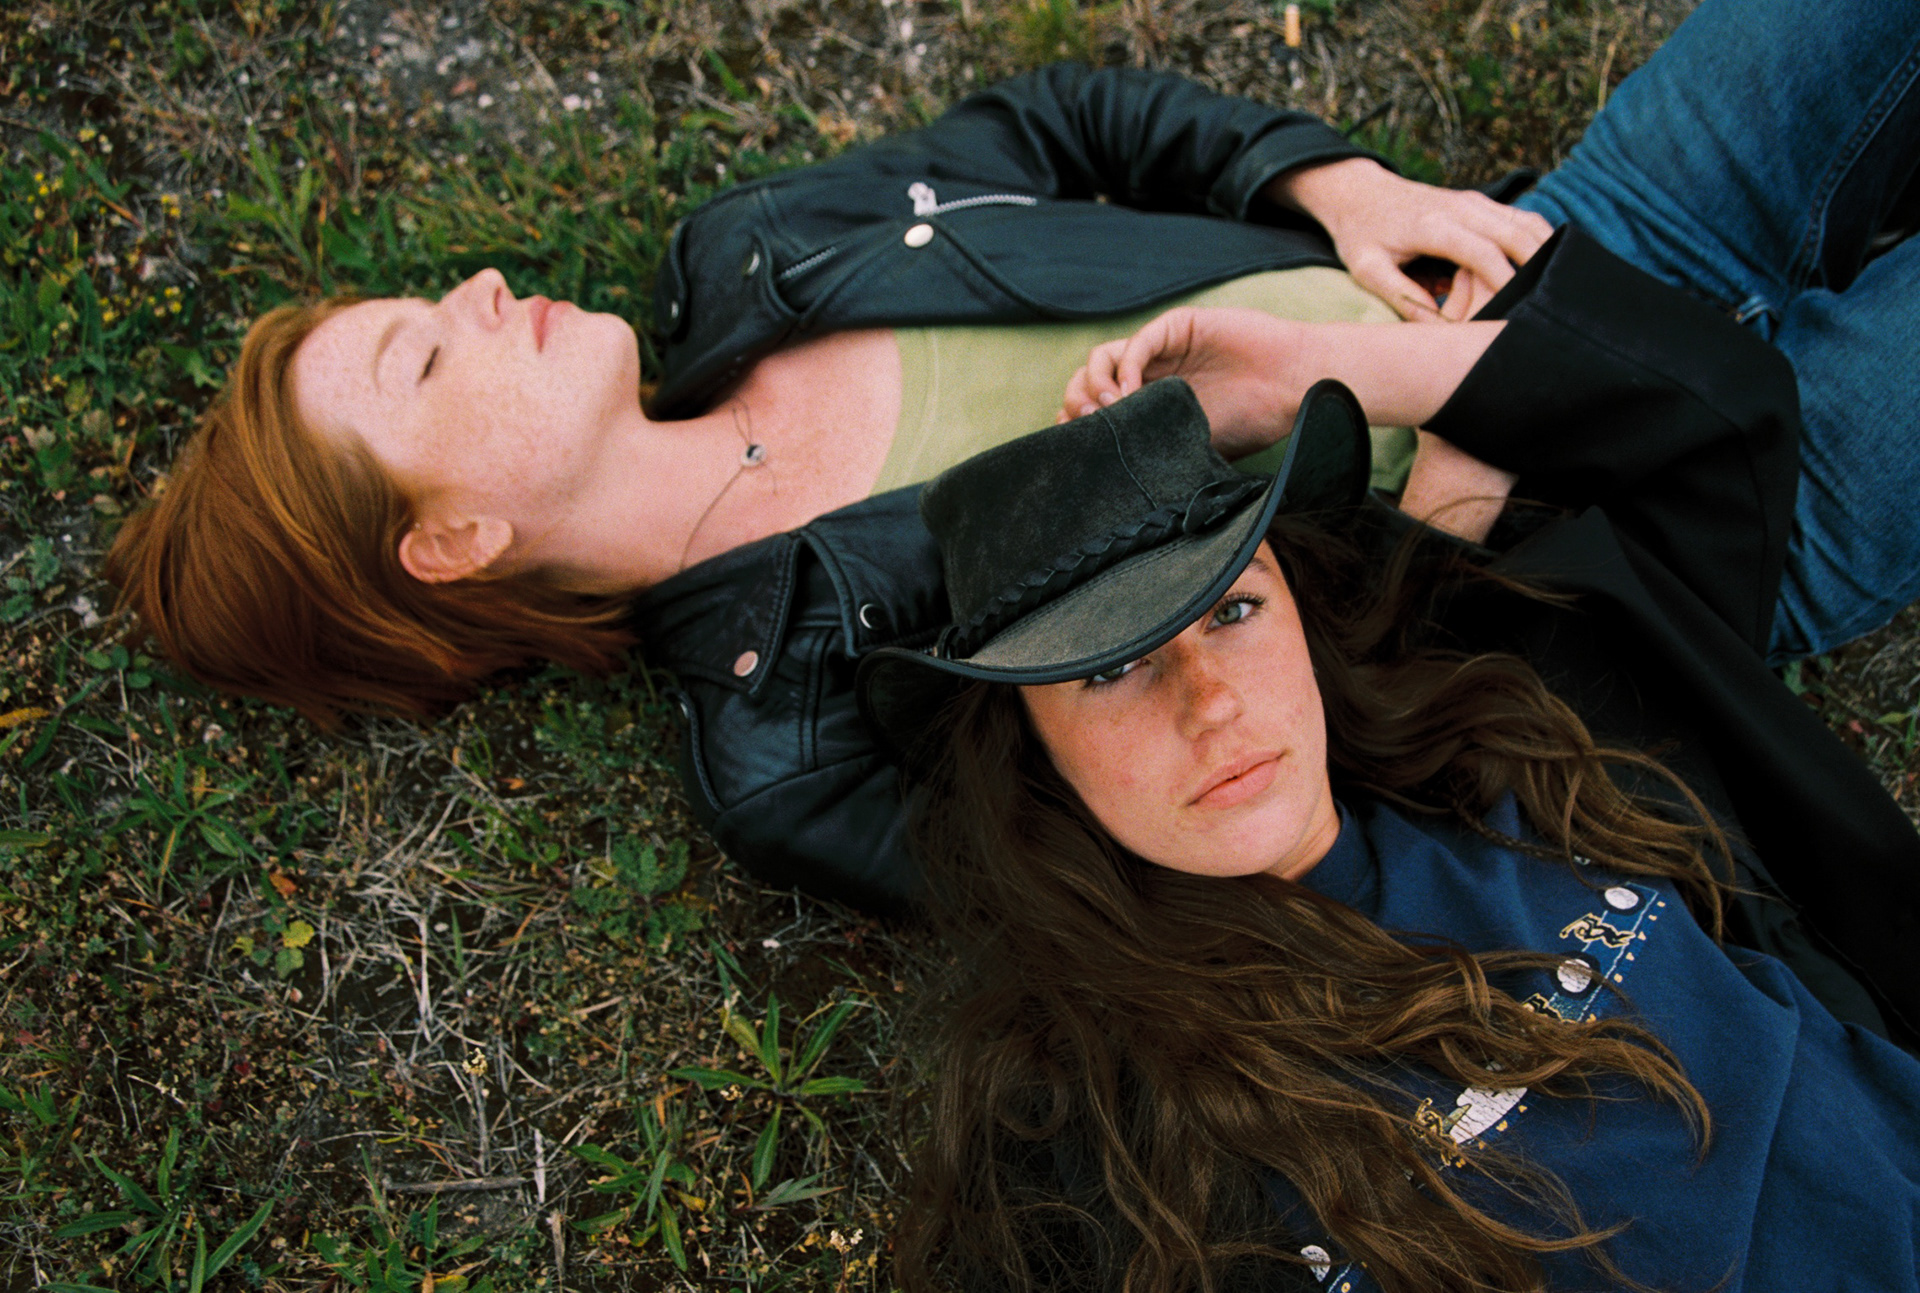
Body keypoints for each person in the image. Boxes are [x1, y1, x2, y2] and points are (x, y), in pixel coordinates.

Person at [105, 0, 1920, 911]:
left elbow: (1061, 121)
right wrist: (1425, 513)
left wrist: (1333, 183)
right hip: (1658, 523)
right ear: (450, 541)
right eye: (427, 353)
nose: (483, 287)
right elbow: (1256, 833)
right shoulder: (795, 743)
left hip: (1539, 249)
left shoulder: (748, 254)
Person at [854, 376, 1920, 1292]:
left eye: (1234, 610)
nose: (1211, 702)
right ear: (1032, 752)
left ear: (1302, 613)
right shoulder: (1098, 1138)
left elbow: (1721, 407)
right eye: (1111, 667)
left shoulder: (1526, 730)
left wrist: (1357, 376)